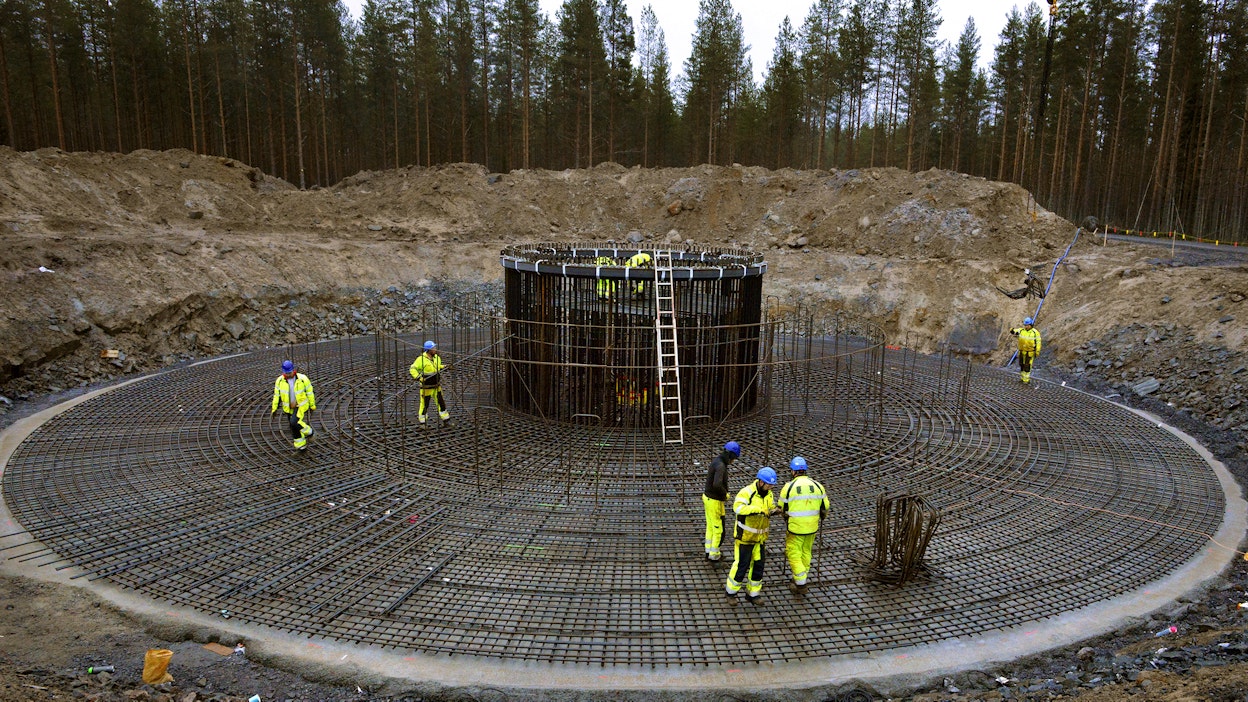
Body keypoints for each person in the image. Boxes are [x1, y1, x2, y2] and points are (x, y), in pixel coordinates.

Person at [725, 466, 778, 604]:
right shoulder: (747, 492)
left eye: (772, 485)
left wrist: (775, 510)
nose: (770, 488)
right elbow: (737, 508)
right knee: (742, 565)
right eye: (768, 485)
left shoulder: (769, 494)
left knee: (759, 565)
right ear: (761, 482)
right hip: (745, 538)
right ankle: (731, 593)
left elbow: (769, 506)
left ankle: (753, 594)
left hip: (759, 539)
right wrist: (758, 509)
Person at [778, 456, 829, 594]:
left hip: (795, 529)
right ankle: (801, 577)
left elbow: (782, 507)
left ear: (793, 471)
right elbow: (825, 506)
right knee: (806, 552)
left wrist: (785, 515)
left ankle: (800, 583)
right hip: (812, 527)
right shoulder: (818, 486)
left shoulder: (789, 487)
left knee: (793, 552)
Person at [702, 441, 740, 562]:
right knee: (719, 529)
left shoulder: (717, 461)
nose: (733, 461)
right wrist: (725, 494)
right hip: (714, 501)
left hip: (707, 498)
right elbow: (717, 484)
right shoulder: (721, 466)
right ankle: (714, 554)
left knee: (710, 526)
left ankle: (708, 550)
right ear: (730, 456)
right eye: (733, 459)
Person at [270, 360, 316, 451]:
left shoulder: (303, 379)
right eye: (286, 373)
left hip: (300, 406)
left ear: (293, 370)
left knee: (294, 422)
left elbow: (310, 393)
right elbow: (276, 396)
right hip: (288, 408)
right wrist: (274, 409)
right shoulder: (279, 381)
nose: (288, 375)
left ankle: (310, 432)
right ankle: (301, 445)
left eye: (289, 373)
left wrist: (312, 405)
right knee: (293, 427)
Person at [409, 340, 450, 423]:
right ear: (428, 350)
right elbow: (412, 369)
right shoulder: (421, 359)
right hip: (426, 387)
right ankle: (423, 422)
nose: (435, 349)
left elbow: (437, 366)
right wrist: (419, 378)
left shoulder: (437, 358)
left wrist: (445, 367)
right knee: (425, 404)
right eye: (433, 348)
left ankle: (446, 419)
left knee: (441, 403)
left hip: (436, 385)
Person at [1009, 317, 1043, 384]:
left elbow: (1038, 343)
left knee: (1027, 365)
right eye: (1025, 325)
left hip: (1030, 352)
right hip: (1022, 351)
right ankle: (1022, 378)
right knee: (1022, 364)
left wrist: (1037, 351)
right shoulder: (1022, 331)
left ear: (1031, 325)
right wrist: (1012, 330)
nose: (1026, 326)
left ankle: (1026, 380)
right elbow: (1015, 331)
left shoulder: (1035, 333)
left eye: (1027, 325)